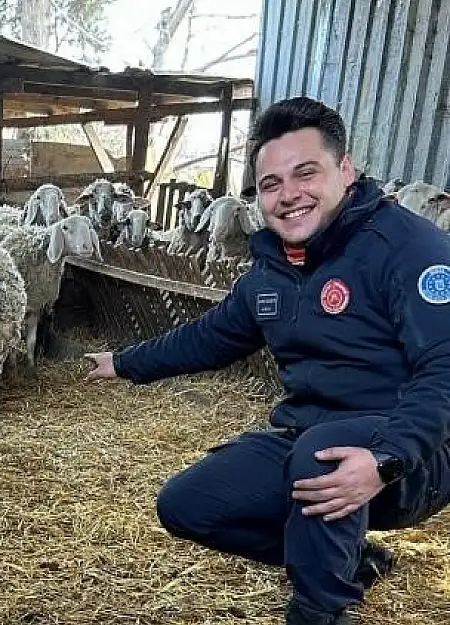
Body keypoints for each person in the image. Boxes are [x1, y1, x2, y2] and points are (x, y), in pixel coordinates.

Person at [85, 96, 450, 625]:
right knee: (188, 504)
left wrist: (386, 459)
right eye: (271, 185)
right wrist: (125, 362)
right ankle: (350, 561)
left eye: (306, 173)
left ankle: (320, 612)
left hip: (416, 458)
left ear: (345, 169)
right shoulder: (273, 270)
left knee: (319, 452)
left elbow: (445, 369)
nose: (288, 196)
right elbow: (211, 337)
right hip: (312, 438)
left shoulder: (410, 248)